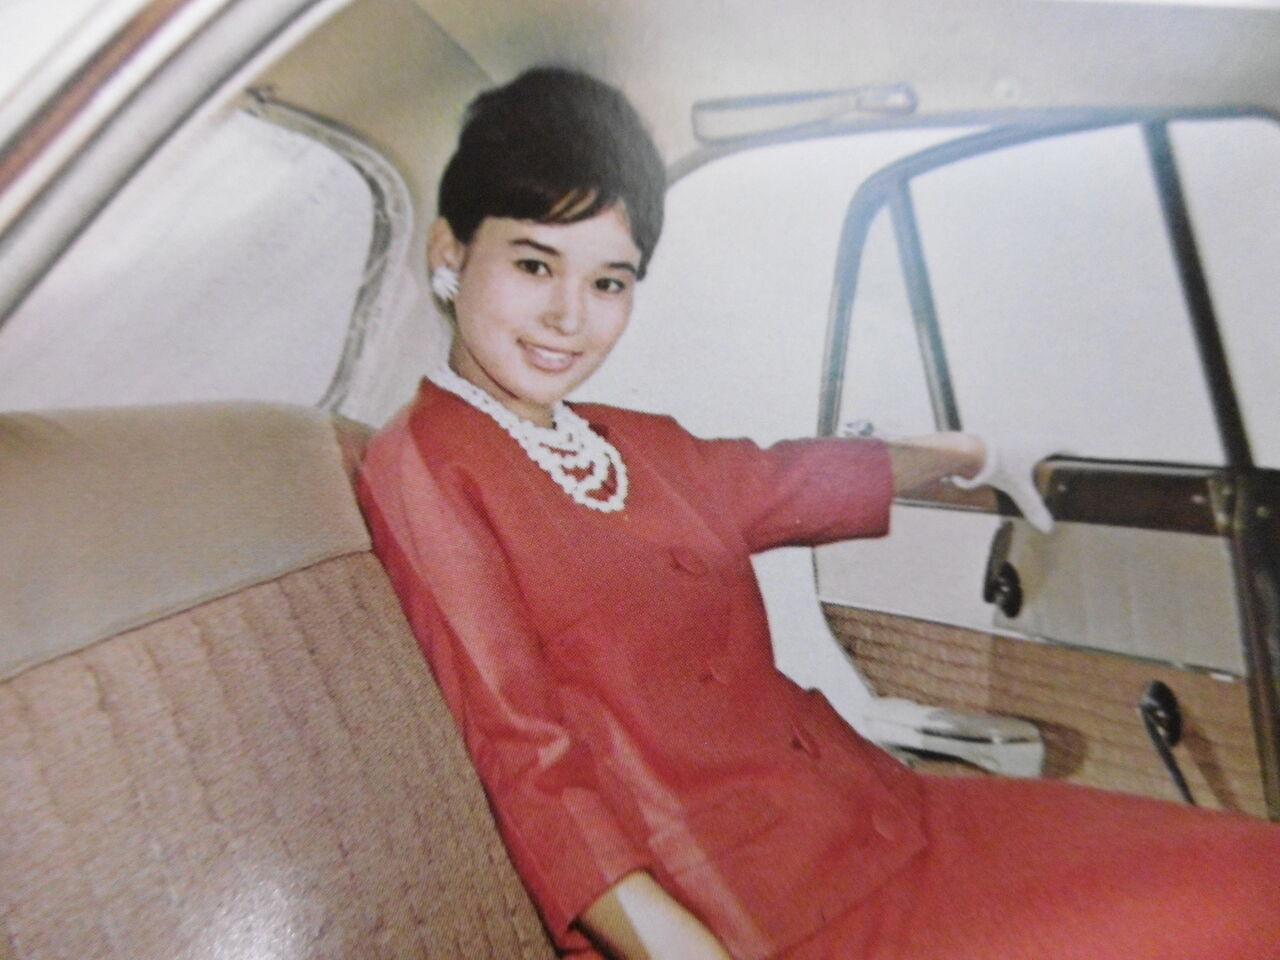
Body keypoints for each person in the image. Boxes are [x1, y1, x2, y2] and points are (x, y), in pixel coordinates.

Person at [357, 67, 1280, 960]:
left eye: (609, 282)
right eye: (534, 264)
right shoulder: (427, 464)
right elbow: (529, 765)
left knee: (1253, 869)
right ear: (450, 252)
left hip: (874, 816)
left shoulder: (628, 441)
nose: (569, 316)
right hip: (741, 911)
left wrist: (972, 452)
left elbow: (796, 478)